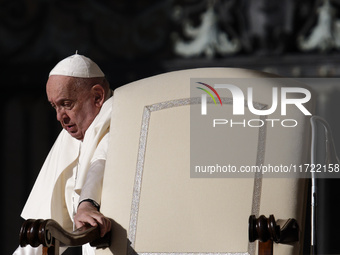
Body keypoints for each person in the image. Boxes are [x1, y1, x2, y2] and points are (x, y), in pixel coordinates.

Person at [13, 53, 113, 255]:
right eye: (54, 107)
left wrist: (87, 204)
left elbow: (101, 162)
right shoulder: (69, 138)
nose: (60, 117)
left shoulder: (121, 115)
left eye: (67, 104)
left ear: (97, 96)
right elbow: (47, 229)